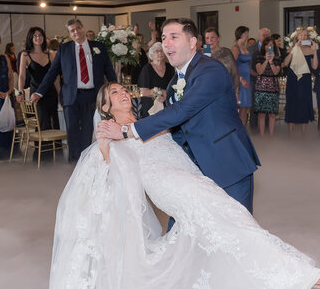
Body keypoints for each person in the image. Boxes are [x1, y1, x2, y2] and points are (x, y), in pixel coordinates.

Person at [48, 81, 320, 289]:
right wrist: (103, 142)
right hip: (168, 185)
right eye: (114, 93)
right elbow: (102, 169)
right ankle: (301, 274)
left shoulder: (147, 120)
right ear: (105, 107)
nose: (122, 93)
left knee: (229, 223)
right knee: (230, 219)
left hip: (191, 179)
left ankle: (267, 285)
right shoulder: (108, 130)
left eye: (123, 89)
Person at [99, 18, 260, 214]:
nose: (166, 43)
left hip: (226, 163)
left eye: (174, 37)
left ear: (192, 43)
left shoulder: (210, 70)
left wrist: (127, 131)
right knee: (184, 233)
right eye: (164, 38)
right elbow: (174, 126)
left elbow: (181, 110)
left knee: (238, 230)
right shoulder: (175, 80)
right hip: (193, 171)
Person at [31, 19, 116, 163]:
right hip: (71, 97)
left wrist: (115, 90)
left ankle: (85, 161)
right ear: (69, 34)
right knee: (72, 131)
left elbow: (109, 70)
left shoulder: (99, 47)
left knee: (88, 130)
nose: (76, 32)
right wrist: (39, 92)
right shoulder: (64, 49)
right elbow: (52, 73)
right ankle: (74, 161)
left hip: (92, 96)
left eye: (78, 28)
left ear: (83, 28)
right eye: (72, 30)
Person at [17, 27, 60, 148]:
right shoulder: (25, 55)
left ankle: (56, 150)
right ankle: (43, 152)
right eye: (35, 36)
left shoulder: (50, 54)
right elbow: (21, 76)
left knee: (54, 120)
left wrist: (60, 92)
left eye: (40, 35)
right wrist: (19, 91)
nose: (38, 38)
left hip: (51, 92)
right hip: (36, 93)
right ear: (30, 38)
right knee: (42, 121)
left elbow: (55, 76)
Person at [281, 28, 317, 134]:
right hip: (292, 80)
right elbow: (285, 64)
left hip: (305, 80)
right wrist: (293, 51)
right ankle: (291, 132)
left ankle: (303, 132)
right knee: (292, 102)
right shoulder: (292, 48)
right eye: (301, 35)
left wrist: (315, 51)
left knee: (303, 103)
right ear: (297, 37)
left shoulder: (310, 50)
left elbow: (314, 66)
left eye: (306, 35)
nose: (304, 37)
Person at [252, 36, 281, 136]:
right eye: (267, 45)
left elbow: (276, 72)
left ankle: (272, 136)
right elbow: (259, 71)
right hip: (261, 86)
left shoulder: (277, 57)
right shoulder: (258, 56)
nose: (269, 47)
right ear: (264, 46)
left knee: (272, 114)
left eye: (271, 45)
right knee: (262, 114)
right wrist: (266, 60)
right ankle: (262, 136)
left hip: (273, 86)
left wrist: (271, 61)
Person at [203, 27, 240, 97]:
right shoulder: (202, 54)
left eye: (212, 37)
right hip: (207, 92)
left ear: (218, 39)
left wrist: (236, 92)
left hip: (224, 91)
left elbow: (235, 73)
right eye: (207, 38)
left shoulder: (226, 52)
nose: (210, 40)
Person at [231, 26, 253, 125]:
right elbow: (232, 66)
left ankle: (243, 131)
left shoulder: (246, 47)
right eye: (246, 33)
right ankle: (236, 131)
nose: (248, 35)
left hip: (247, 77)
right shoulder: (235, 48)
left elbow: (248, 65)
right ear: (241, 34)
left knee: (245, 107)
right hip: (239, 79)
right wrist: (241, 79)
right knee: (238, 106)